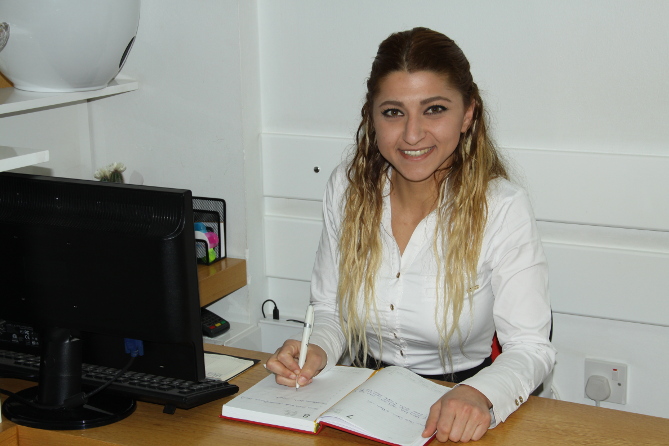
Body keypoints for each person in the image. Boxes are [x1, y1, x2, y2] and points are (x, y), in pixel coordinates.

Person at [266, 27, 555, 443]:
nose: (413, 134)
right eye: (393, 112)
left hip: (462, 404)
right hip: (359, 398)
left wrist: (479, 394)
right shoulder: (347, 190)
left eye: (434, 109)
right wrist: (317, 349)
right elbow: (330, 309)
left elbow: (531, 346)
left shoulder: (502, 207)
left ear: (468, 114)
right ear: (371, 117)